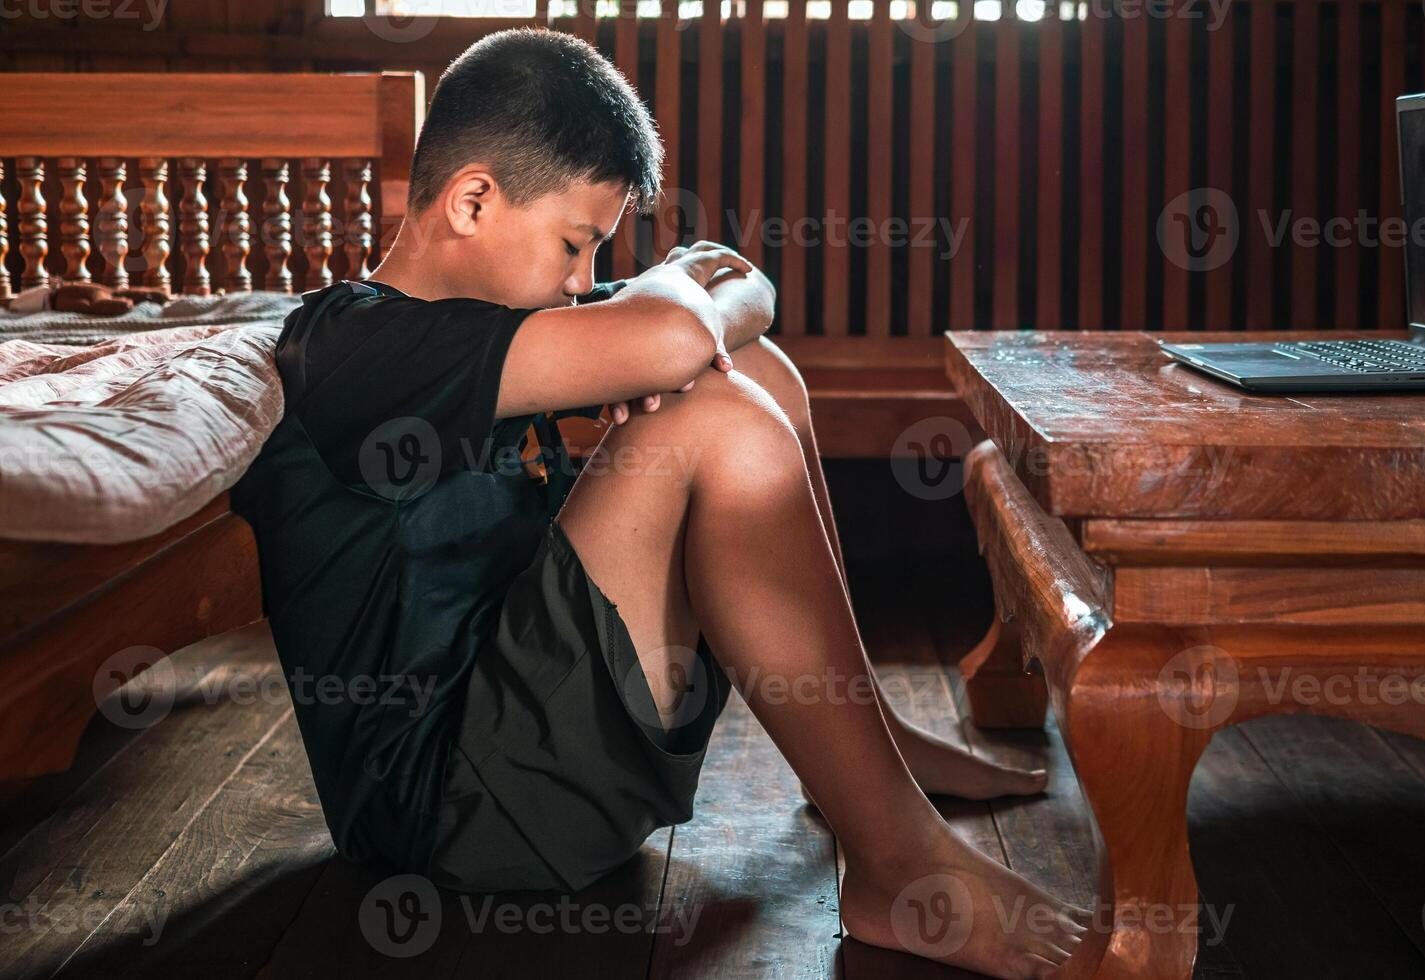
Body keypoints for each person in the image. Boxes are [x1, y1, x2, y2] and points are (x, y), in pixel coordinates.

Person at [232, 26, 1085, 978]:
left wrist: (677, 314)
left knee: (760, 373)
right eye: (574, 244)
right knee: (717, 413)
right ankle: (899, 864)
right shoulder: (353, 348)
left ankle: (871, 754)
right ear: (473, 199)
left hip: (536, 739)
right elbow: (688, 324)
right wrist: (667, 303)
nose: (582, 281)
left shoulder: (499, 326)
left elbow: (743, 292)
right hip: (451, 814)